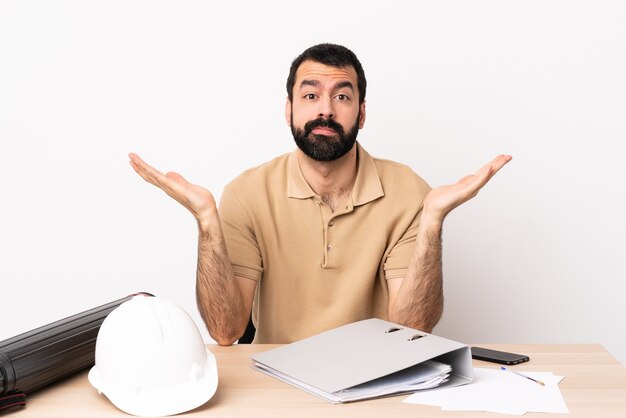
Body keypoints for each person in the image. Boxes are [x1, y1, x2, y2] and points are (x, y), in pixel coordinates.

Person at [129, 43, 511, 346]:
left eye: (342, 97)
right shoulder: (247, 193)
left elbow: (413, 325)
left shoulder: (409, 191)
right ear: (289, 109)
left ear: (361, 114)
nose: (325, 111)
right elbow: (226, 332)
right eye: (310, 96)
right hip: (276, 379)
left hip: (376, 377)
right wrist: (207, 221)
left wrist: (432, 221)